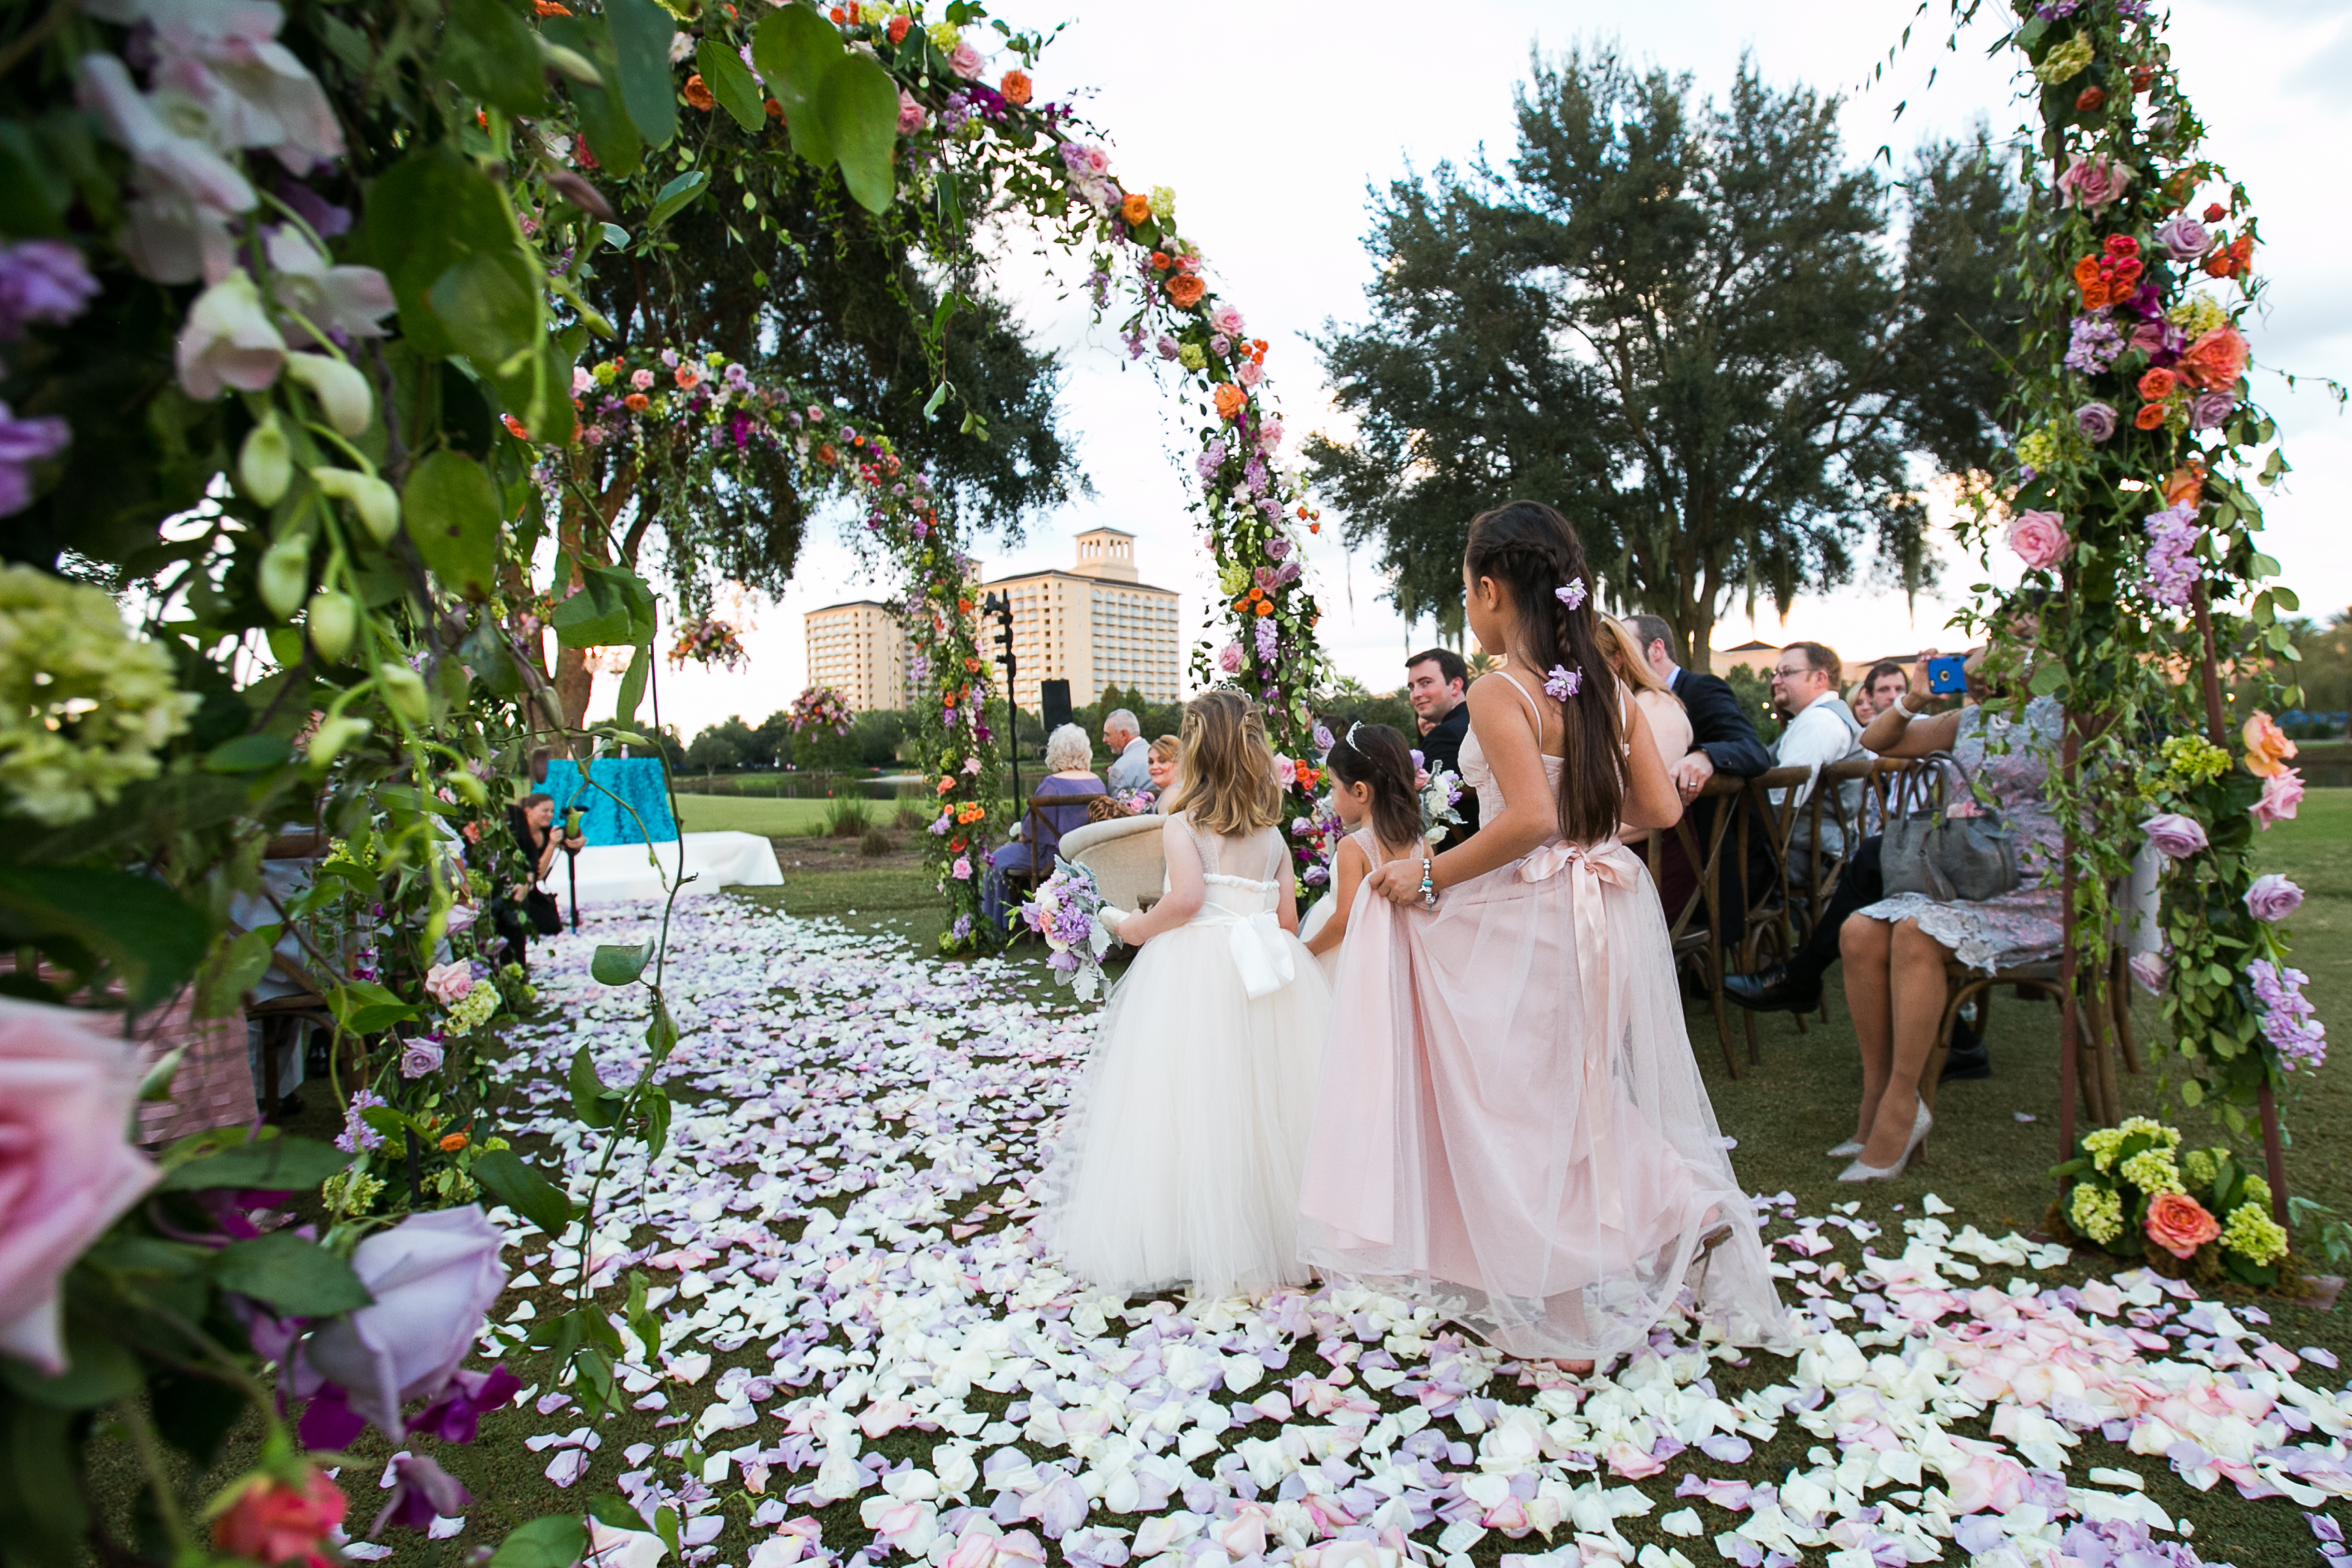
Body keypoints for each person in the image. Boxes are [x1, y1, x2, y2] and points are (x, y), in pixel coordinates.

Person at [1299, 500, 1786, 1371]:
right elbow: (1663, 809)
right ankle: (1613, 1279)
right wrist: (1586, 840)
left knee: (1521, 1106)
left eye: (1466, 591)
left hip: (1531, 919)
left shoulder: (1499, 689)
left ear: (1490, 591)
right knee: (1568, 1104)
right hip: (1602, 908)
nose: (1468, 609)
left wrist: (1431, 874)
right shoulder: (1605, 687)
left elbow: (1525, 818)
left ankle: (1669, 1226)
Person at [1043, 692, 1333, 1298]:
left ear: (1197, 750)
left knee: (1189, 1100)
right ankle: (1278, 1231)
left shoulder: (1183, 824)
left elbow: (1185, 900)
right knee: (1266, 1103)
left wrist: (1128, 927)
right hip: (1264, 971)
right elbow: (1286, 920)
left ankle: (1193, 1231)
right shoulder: (1274, 834)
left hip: (1194, 969)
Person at [1829, 638, 2066, 1181]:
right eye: (1977, 680)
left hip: (2041, 888)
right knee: (1858, 930)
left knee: (1915, 930)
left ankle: (1902, 1105)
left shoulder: (2066, 719)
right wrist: (1915, 696)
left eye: (1994, 680)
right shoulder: (1969, 721)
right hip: (1972, 879)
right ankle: (1875, 1095)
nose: (1984, 688)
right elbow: (1875, 738)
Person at [1622, 614, 1772, 929]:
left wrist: (1707, 756)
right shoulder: (1627, 703)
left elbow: (1754, 750)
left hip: (1710, 857)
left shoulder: (1701, 689)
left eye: (1624, 645)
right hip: (1655, 844)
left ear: (1656, 649)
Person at [1299, 721, 1424, 986]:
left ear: (1359, 790)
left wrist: (1307, 951)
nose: (1331, 797)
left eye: (1333, 786)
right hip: (1402, 954)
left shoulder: (1353, 846)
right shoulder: (1421, 843)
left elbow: (1345, 919)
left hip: (1353, 958)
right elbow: (1430, 901)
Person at [981, 725, 1103, 927]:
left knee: (996, 860)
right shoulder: (1098, 783)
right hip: (1082, 856)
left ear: (1055, 752)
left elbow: (1029, 833)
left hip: (1048, 859)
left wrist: (1020, 834)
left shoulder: (1051, 784)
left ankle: (997, 923)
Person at [1594, 616, 1691, 845]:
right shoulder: (1619, 708)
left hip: (1653, 862)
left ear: (1617, 660)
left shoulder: (1656, 706)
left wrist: (1567, 842)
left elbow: (1654, 810)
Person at [1768, 642, 1865, 861]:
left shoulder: (1820, 722)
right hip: (1811, 851)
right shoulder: (1821, 718)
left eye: (1787, 673)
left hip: (1803, 857)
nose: (1776, 681)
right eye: (1777, 674)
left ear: (1820, 679)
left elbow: (1785, 798)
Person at [493, 793, 581, 970]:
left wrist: (579, 839)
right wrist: (551, 846)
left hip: (531, 889)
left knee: (550, 924)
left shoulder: (548, 832)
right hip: (516, 886)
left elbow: (570, 833)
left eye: (552, 811)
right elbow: (538, 873)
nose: (549, 815)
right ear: (528, 812)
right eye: (544, 811)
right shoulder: (517, 835)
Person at [1406, 648, 1481, 839]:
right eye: (1412, 687)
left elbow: (1418, 808)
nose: (1416, 694)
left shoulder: (1446, 735)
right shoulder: (1482, 721)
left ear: (1455, 686)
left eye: (1425, 683)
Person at [1102, 708, 1150, 793]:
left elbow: (1114, 806)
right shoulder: (1161, 757)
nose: (1104, 740)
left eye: (1107, 735)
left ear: (1123, 734)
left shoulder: (1120, 768)